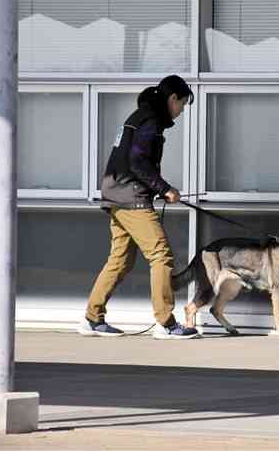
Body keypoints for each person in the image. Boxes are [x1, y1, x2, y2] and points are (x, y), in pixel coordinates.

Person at [79, 74, 199, 340]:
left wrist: (156, 188)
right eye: (182, 104)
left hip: (116, 191)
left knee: (120, 259)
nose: (181, 111)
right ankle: (166, 323)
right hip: (130, 194)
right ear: (172, 98)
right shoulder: (150, 121)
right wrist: (165, 189)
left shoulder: (139, 116)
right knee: (161, 256)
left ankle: (92, 318)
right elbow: (138, 162)